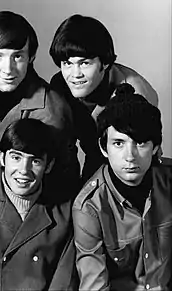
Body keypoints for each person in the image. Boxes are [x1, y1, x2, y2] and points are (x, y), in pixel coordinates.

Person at [0, 11, 79, 189]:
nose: (8, 69)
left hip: (39, 197)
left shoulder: (50, 110)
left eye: (17, 56)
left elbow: (38, 185)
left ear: (31, 57)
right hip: (2, 184)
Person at [0, 118, 78, 290]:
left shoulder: (66, 214)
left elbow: (64, 284)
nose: (24, 171)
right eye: (16, 157)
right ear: (2, 158)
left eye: (35, 161)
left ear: (48, 165)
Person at [72, 83, 172, 291]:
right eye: (118, 143)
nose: (130, 156)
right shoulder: (89, 207)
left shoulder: (168, 181)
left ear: (155, 147)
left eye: (141, 143)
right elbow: (94, 285)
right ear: (103, 147)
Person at [49, 14, 159, 181]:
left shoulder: (136, 93)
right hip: (93, 157)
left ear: (105, 63)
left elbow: (142, 158)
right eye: (67, 64)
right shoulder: (59, 85)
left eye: (84, 63)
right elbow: (63, 149)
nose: (75, 74)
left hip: (129, 169)